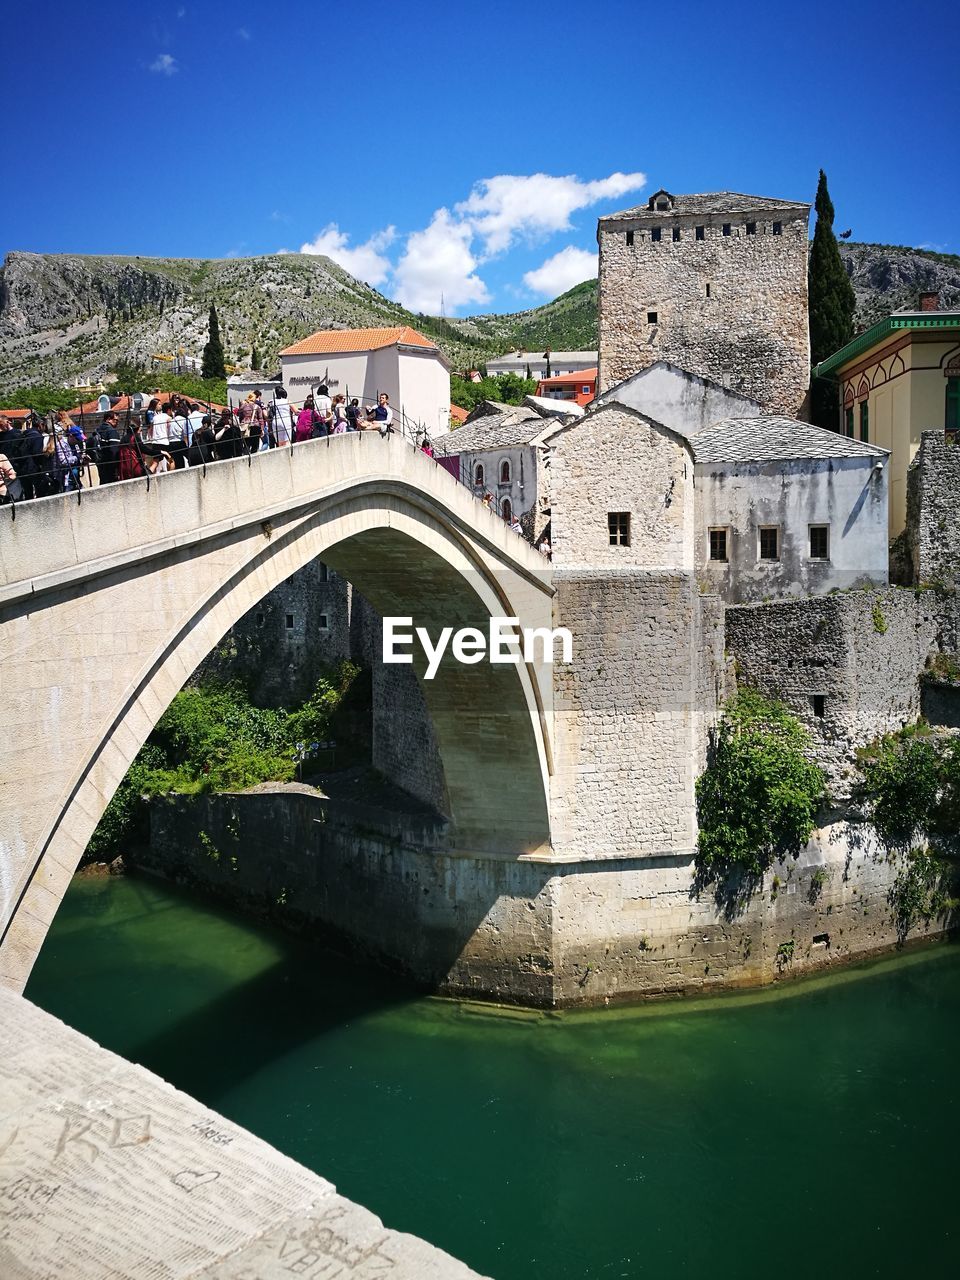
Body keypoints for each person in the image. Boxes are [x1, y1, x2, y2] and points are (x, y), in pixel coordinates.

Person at [92, 412, 122, 484]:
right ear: (108, 419)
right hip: (110, 465)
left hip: (100, 463)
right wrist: (117, 466)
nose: (117, 423)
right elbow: (114, 451)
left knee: (103, 483)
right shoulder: (112, 432)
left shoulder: (96, 431)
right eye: (116, 420)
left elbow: (90, 445)